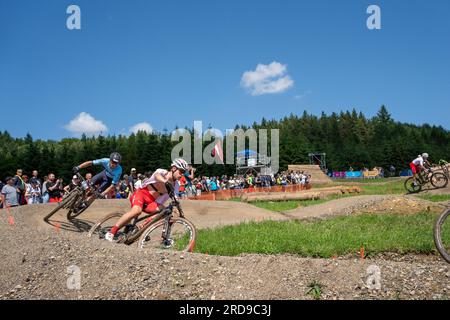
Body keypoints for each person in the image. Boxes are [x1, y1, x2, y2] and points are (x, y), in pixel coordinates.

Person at [104, 158, 188, 242]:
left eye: (183, 173)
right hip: (141, 193)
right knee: (136, 211)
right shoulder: (163, 172)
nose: (181, 175)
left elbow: (176, 198)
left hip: (151, 202)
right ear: (174, 169)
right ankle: (111, 232)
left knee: (165, 212)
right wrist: (165, 181)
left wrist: (179, 210)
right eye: (181, 171)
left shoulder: (176, 184)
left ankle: (142, 228)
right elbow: (156, 175)